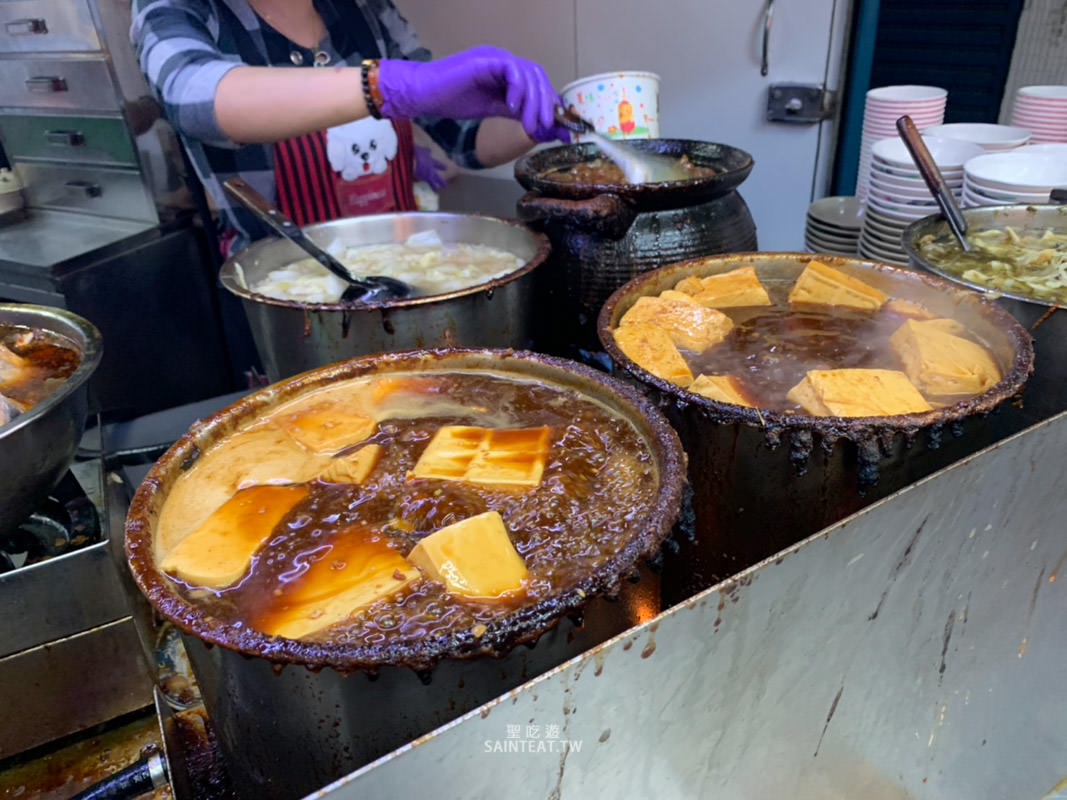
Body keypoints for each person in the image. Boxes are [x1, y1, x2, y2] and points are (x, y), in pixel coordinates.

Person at [130, 0, 571, 257]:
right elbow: (192, 97)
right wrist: (386, 85)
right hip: (290, 288)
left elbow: (464, 142)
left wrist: (535, 120)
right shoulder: (177, 9)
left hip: (408, 264)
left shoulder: (364, 8)